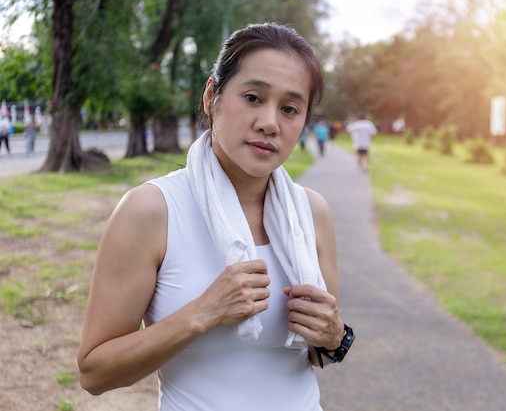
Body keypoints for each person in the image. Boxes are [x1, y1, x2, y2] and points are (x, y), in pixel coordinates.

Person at [77, 22, 354, 411]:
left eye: (290, 108)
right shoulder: (152, 210)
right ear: (212, 96)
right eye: (253, 97)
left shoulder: (312, 212)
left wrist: (335, 335)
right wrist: (202, 313)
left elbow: (317, 352)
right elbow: (94, 373)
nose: (270, 123)